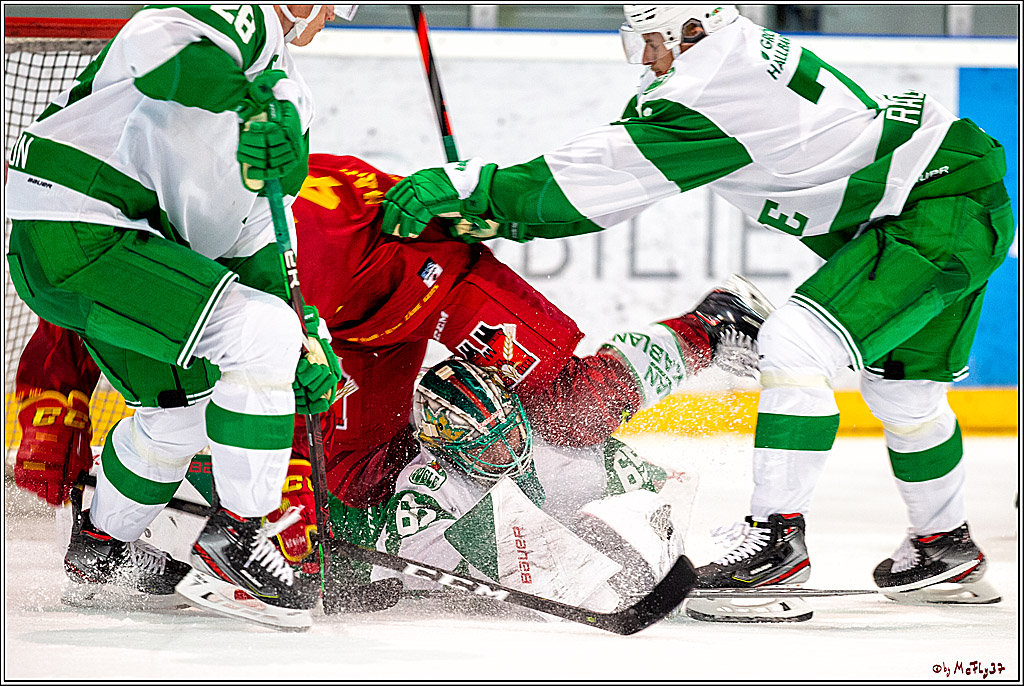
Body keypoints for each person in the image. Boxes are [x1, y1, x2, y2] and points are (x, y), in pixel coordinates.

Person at [378, 4, 1012, 619]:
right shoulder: (720, 62)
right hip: (941, 194)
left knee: (793, 345)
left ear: (693, 28)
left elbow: (597, 181)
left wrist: (477, 189)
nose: (648, 57)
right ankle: (943, 544)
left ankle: (776, 543)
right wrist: (497, 211)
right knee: (905, 397)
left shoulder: (712, 87)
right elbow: (611, 163)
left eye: (654, 40)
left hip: (934, 210)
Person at [12, 153, 772, 613]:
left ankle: (713, 322)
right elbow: (88, 309)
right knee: (354, 477)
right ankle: (446, 501)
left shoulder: (219, 227)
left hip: (431, 276)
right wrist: (52, 406)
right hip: (335, 322)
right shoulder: (174, 224)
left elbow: (260, 383)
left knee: (574, 407)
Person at [5, 5, 358, 631]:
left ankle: (100, 551)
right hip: (85, 227)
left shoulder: (292, 97)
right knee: (260, 336)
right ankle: (238, 540)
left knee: (185, 411)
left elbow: (256, 239)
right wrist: (246, 101)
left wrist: (310, 339)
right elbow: (158, 47)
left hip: (114, 255)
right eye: (338, 4)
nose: (335, 18)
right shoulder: (241, 18)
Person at [367, 357, 693, 614]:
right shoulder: (428, 481)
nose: (507, 450)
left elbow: (659, 485)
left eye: (509, 432)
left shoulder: (554, 448)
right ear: (447, 450)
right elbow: (414, 561)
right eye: (486, 445)